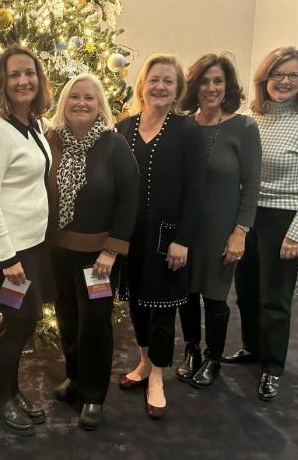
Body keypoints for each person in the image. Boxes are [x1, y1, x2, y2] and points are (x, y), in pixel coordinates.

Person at [224, 46, 298, 401]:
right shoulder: (251, 115)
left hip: (285, 221)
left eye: (292, 75)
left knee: (275, 298)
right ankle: (252, 348)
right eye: (277, 74)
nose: (284, 81)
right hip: (248, 218)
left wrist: (296, 232)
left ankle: (272, 367)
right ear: (264, 78)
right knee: (246, 290)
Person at [0, 45, 54, 437]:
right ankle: (0, 401)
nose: (24, 81)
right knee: (18, 323)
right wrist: (9, 257)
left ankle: (10, 391)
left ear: (39, 80)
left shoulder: (33, 124)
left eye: (30, 73)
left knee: (22, 323)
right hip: (9, 253)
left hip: (30, 247)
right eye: (15, 74)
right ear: (3, 82)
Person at [46, 73, 139, 430]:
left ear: (100, 104)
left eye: (89, 98)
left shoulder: (113, 145)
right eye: (74, 97)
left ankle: (94, 395)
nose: (81, 104)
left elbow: (129, 200)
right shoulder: (51, 140)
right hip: (58, 250)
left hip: (98, 257)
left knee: (95, 322)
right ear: (64, 103)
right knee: (67, 316)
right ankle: (74, 377)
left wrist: (112, 250)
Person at [115, 54, 205, 419]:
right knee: (136, 301)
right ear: (142, 84)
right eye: (155, 79)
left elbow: (195, 190)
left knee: (163, 308)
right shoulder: (123, 128)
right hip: (130, 235)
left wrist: (183, 238)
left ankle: (158, 378)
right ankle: (143, 362)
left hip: (168, 236)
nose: (161, 87)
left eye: (169, 81)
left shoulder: (188, 131)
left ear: (178, 89)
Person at [174, 54, 261, 388]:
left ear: (228, 87)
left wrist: (240, 231)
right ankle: (192, 350)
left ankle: (213, 357)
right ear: (194, 86)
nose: (211, 88)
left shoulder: (244, 127)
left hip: (222, 228)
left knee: (214, 294)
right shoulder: (185, 125)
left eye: (218, 81)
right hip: (187, 227)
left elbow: (252, 184)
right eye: (205, 81)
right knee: (187, 291)